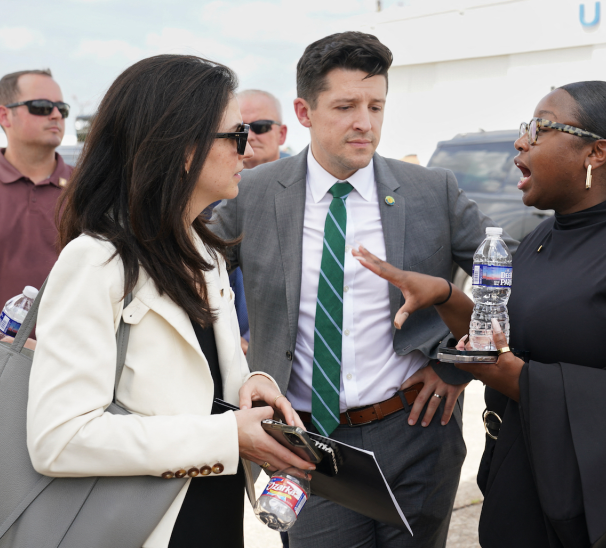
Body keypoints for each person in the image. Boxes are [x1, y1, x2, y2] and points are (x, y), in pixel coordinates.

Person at [353, 81, 606, 547]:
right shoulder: (543, 238)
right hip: (534, 476)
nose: (520, 140)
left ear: (598, 152)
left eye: (539, 128)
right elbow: (509, 343)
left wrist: (520, 379)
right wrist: (446, 295)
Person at [212, 31, 511, 548]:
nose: (364, 122)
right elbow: (187, 270)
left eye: (376, 106)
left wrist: (458, 365)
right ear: (304, 112)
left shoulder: (429, 191)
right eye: (346, 105)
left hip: (415, 432)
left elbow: (502, 278)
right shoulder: (256, 193)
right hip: (307, 445)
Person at [26, 55, 315, 548]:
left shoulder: (201, 251)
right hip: (141, 528)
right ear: (185, 148)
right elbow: (59, 440)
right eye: (236, 136)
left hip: (213, 516)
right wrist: (227, 437)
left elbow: (190, 383)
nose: (246, 153)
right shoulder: (96, 262)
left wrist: (251, 386)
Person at [0, 69, 74, 340]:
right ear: (4, 116)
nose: (55, 115)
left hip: (69, 372)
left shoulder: (89, 190)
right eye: (41, 107)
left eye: (62, 108)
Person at [230, 89, 290, 355]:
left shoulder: (313, 195)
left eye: (261, 127)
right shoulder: (208, 195)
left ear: (282, 134)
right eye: (241, 128)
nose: (251, 135)